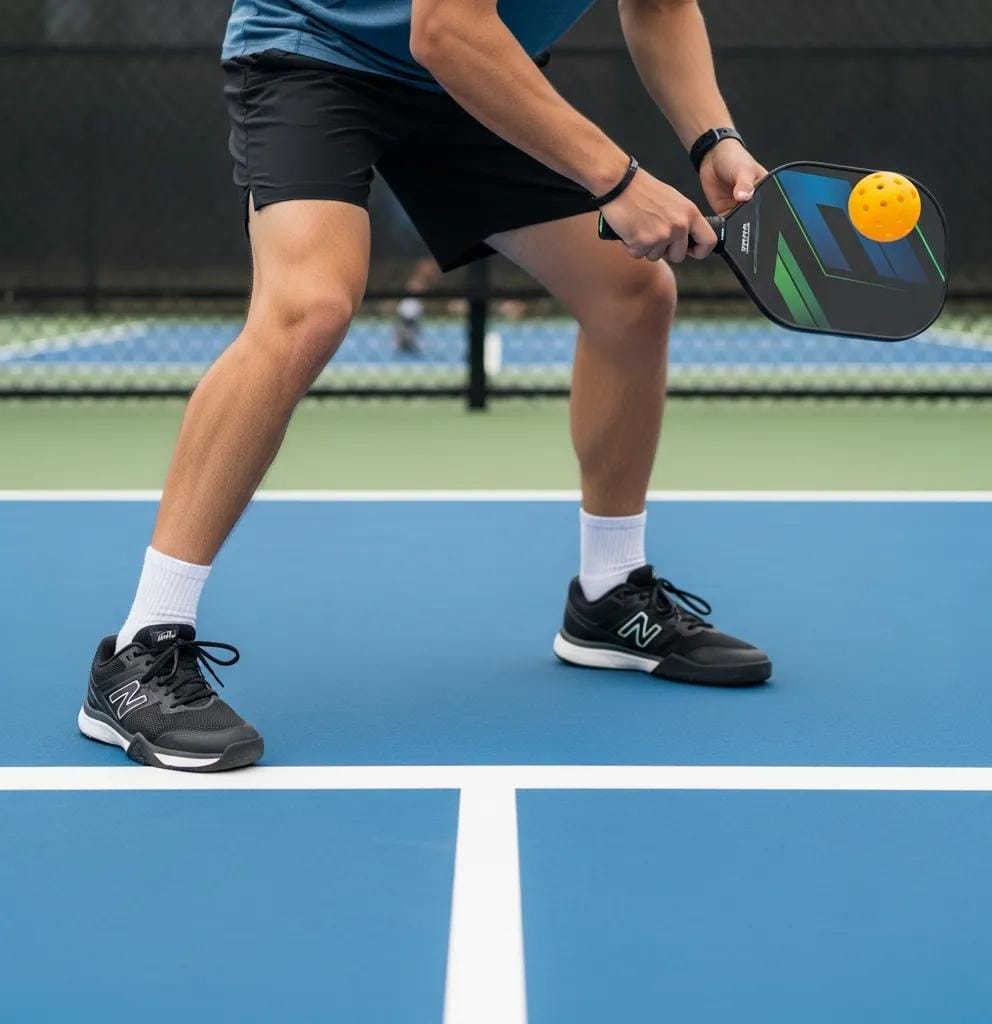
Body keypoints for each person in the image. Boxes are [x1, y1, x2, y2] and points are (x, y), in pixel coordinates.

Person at [79, 0, 773, 773]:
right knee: (308, 307)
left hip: (466, 81)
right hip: (320, 49)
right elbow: (444, 25)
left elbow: (659, 4)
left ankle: (609, 596)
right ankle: (140, 652)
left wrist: (715, 139)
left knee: (632, 295)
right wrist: (618, 180)